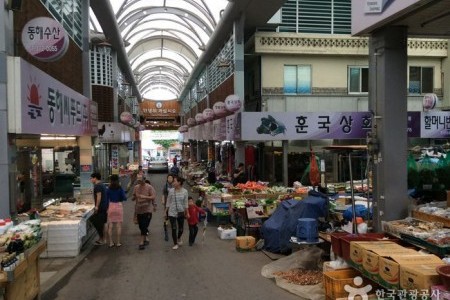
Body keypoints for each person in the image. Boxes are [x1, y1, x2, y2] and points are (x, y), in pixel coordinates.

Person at [165, 175, 189, 250]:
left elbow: (186, 203)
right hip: (172, 212)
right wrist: (165, 211)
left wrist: (187, 212)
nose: (173, 182)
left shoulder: (185, 191)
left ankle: (179, 238)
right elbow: (168, 201)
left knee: (181, 229)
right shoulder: (171, 191)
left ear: (179, 182)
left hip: (181, 212)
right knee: (174, 228)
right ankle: (175, 243)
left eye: (174, 181)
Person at [132, 175, 157, 250]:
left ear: (144, 179)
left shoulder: (149, 187)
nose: (138, 181)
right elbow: (133, 198)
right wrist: (135, 197)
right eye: (138, 180)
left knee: (144, 224)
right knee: (141, 225)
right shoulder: (136, 187)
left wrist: (145, 197)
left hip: (147, 209)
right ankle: (146, 238)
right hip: (139, 209)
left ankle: (141, 242)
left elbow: (153, 197)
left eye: (140, 180)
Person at [106, 174, 127, 248]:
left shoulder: (108, 189)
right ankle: (118, 242)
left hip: (111, 206)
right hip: (118, 206)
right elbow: (125, 198)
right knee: (118, 226)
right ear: (117, 180)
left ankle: (111, 242)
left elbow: (106, 198)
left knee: (110, 226)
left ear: (110, 180)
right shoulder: (120, 188)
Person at [89, 172, 108, 245]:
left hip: (101, 207)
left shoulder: (97, 186)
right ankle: (103, 239)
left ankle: (102, 239)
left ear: (95, 178)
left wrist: (96, 207)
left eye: (91, 178)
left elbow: (99, 197)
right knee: (103, 222)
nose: (90, 180)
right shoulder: (102, 185)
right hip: (104, 206)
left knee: (95, 221)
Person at [161, 174, 175, 241]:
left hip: (173, 200)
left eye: (171, 178)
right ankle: (166, 220)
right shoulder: (165, 185)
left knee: (172, 211)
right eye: (168, 178)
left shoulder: (175, 185)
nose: (170, 179)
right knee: (166, 211)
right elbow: (163, 193)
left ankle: (173, 219)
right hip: (167, 200)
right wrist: (163, 200)